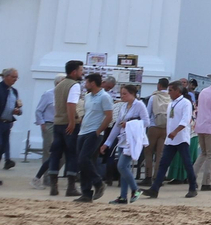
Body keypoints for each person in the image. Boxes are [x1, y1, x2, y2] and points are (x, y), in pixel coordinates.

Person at [146, 79, 198, 199]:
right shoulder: (171, 103)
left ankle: (192, 187)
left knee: (187, 163)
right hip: (171, 139)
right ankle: (154, 189)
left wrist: (175, 131)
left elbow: (185, 120)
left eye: (170, 90)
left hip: (181, 138)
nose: (168, 93)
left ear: (178, 91)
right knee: (163, 163)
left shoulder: (185, 103)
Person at [102, 83, 149, 204]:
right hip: (122, 140)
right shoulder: (123, 106)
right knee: (124, 168)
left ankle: (135, 189)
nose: (122, 96)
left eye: (125, 94)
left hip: (132, 140)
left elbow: (146, 122)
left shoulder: (139, 105)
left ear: (132, 94)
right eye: (121, 94)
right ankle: (123, 196)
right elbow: (116, 126)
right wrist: (107, 143)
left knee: (121, 166)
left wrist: (129, 123)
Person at [73, 73, 114, 203]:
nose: (85, 85)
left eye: (87, 82)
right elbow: (87, 112)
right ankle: (86, 193)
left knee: (84, 159)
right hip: (83, 131)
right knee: (83, 162)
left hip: (93, 133)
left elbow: (109, 116)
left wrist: (98, 132)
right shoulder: (88, 96)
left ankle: (98, 183)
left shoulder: (105, 97)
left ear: (92, 83)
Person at [46, 60, 84, 197]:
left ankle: (53, 186)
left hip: (57, 122)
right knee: (72, 154)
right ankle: (71, 187)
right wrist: (72, 121)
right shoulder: (74, 85)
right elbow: (71, 104)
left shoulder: (59, 85)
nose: (82, 73)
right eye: (81, 70)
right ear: (74, 72)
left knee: (55, 154)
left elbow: (57, 105)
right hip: (69, 123)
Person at [144, 78, 170, 185]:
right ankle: (157, 177)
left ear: (159, 85)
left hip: (154, 127)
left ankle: (148, 177)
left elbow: (147, 113)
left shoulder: (153, 97)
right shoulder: (170, 98)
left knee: (148, 152)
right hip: (165, 128)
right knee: (160, 154)